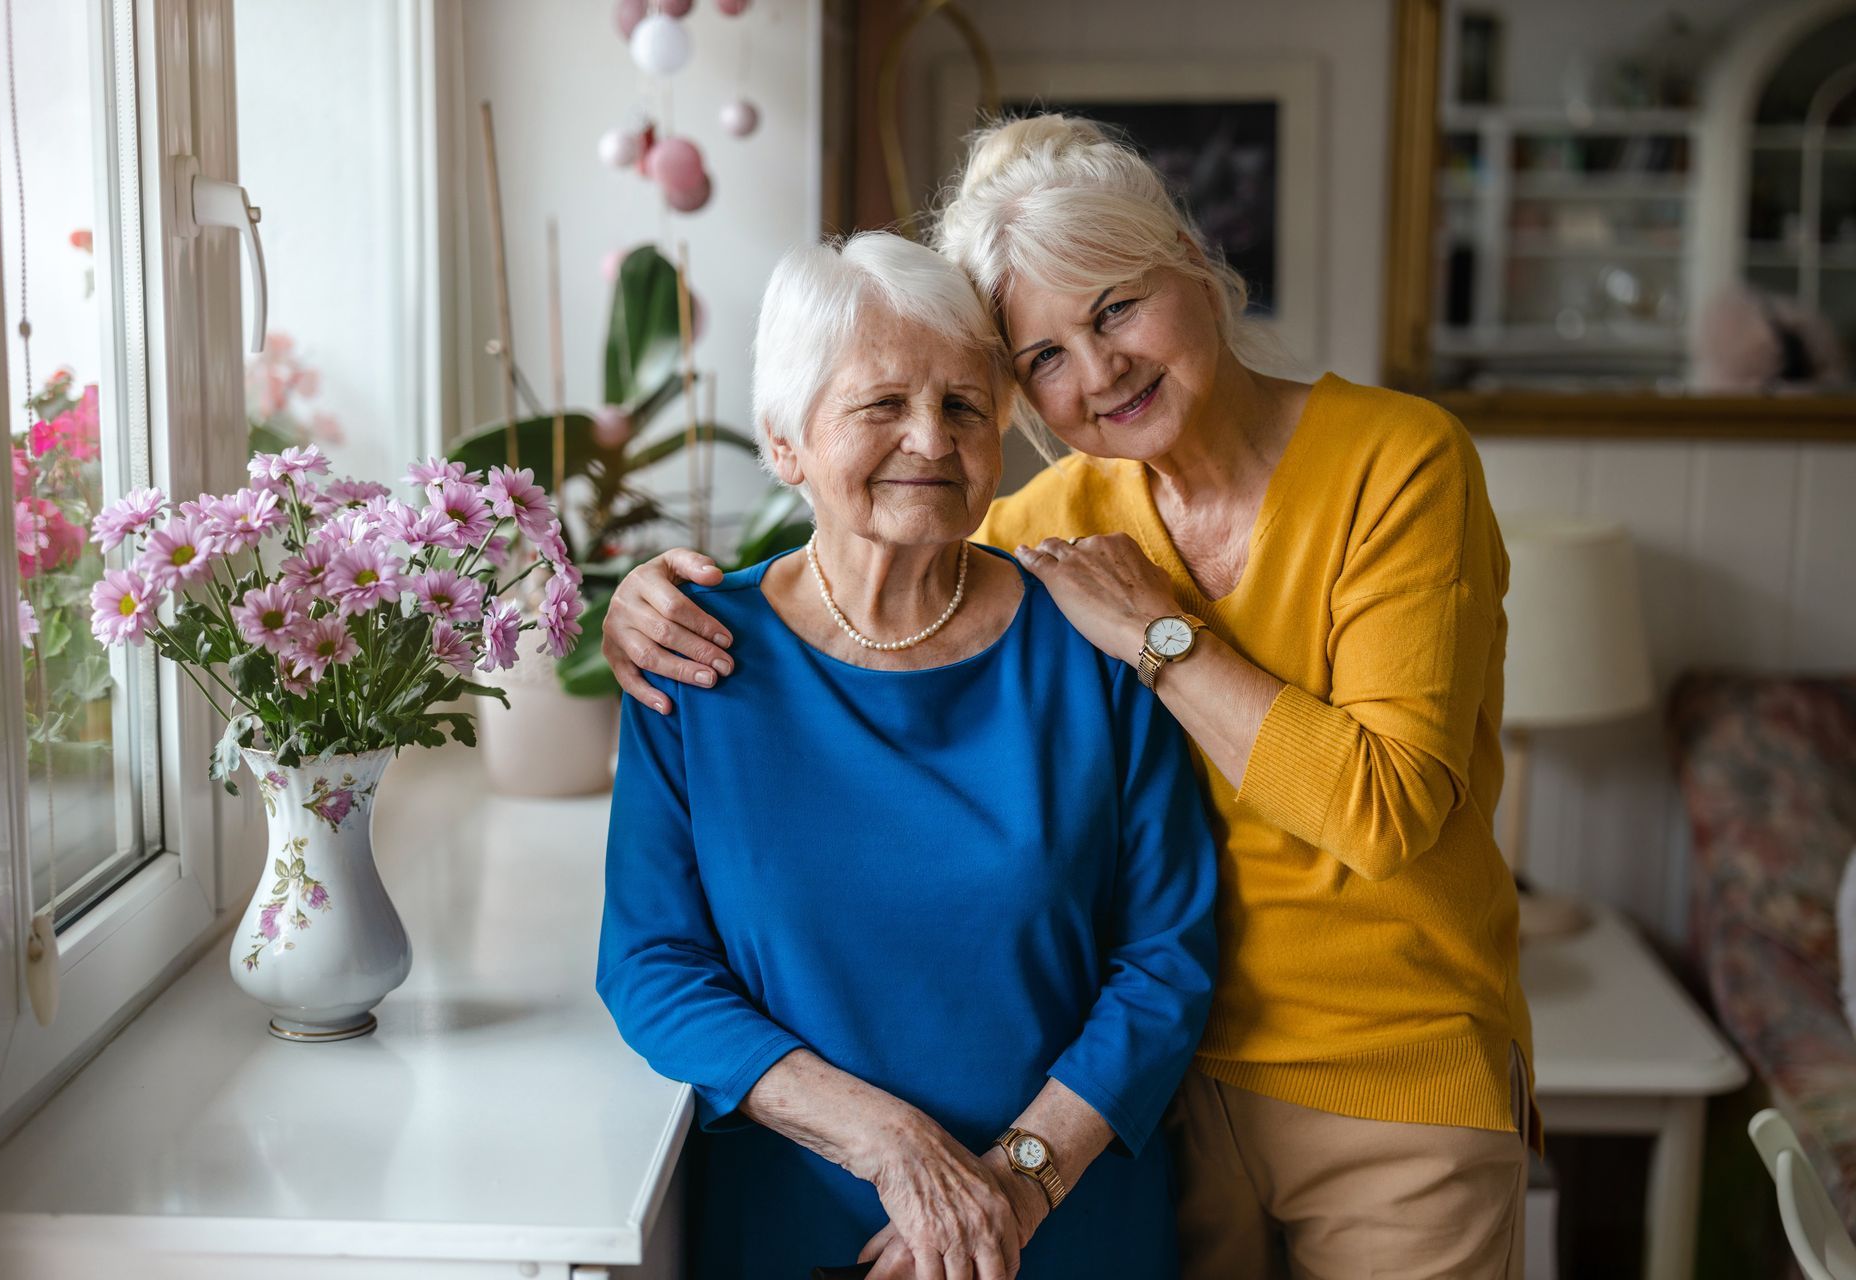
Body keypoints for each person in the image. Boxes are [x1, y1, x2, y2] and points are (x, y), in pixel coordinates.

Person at [602, 115, 1535, 1279]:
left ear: (1196, 263)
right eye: (1042, 355)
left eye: (1116, 308)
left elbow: (1374, 817)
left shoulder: (1388, 466)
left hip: (1373, 1077)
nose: (1095, 372)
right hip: (1175, 1105)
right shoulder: (1040, 533)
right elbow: (881, 552)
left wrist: (1162, 635)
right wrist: (637, 595)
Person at [595, 230, 1219, 1280]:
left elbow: (1169, 957)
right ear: (786, 442)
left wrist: (1015, 1182)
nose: (930, 438)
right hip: (802, 1214)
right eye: (880, 405)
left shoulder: (1095, 639)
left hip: (1067, 1218)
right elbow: (653, 964)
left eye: (965, 406)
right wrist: (894, 1146)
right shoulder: (695, 652)